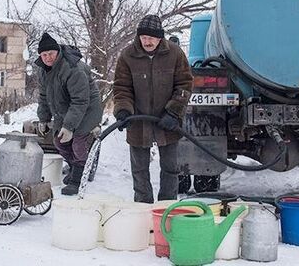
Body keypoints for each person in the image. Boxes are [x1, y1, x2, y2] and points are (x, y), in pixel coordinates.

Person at [113, 14, 193, 203]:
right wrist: (123, 110)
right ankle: (142, 205)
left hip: (168, 120)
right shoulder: (128, 56)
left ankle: (167, 205)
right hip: (138, 120)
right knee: (139, 169)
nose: (146, 42)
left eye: (151, 38)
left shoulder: (175, 54)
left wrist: (174, 112)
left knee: (170, 167)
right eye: (143, 37)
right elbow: (121, 87)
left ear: (160, 38)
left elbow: (184, 84)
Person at [36, 32, 102, 195]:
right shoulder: (43, 71)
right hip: (65, 108)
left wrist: (69, 126)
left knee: (78, 142)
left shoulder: (73, 68)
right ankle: (76, 168)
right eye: (44, 55)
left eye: (50, 53)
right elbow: (43, 96)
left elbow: (80, 101)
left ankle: (77, 180)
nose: (47, 58)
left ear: (57, 51)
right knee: (59, 142)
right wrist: (43, 119)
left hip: (87, 109)